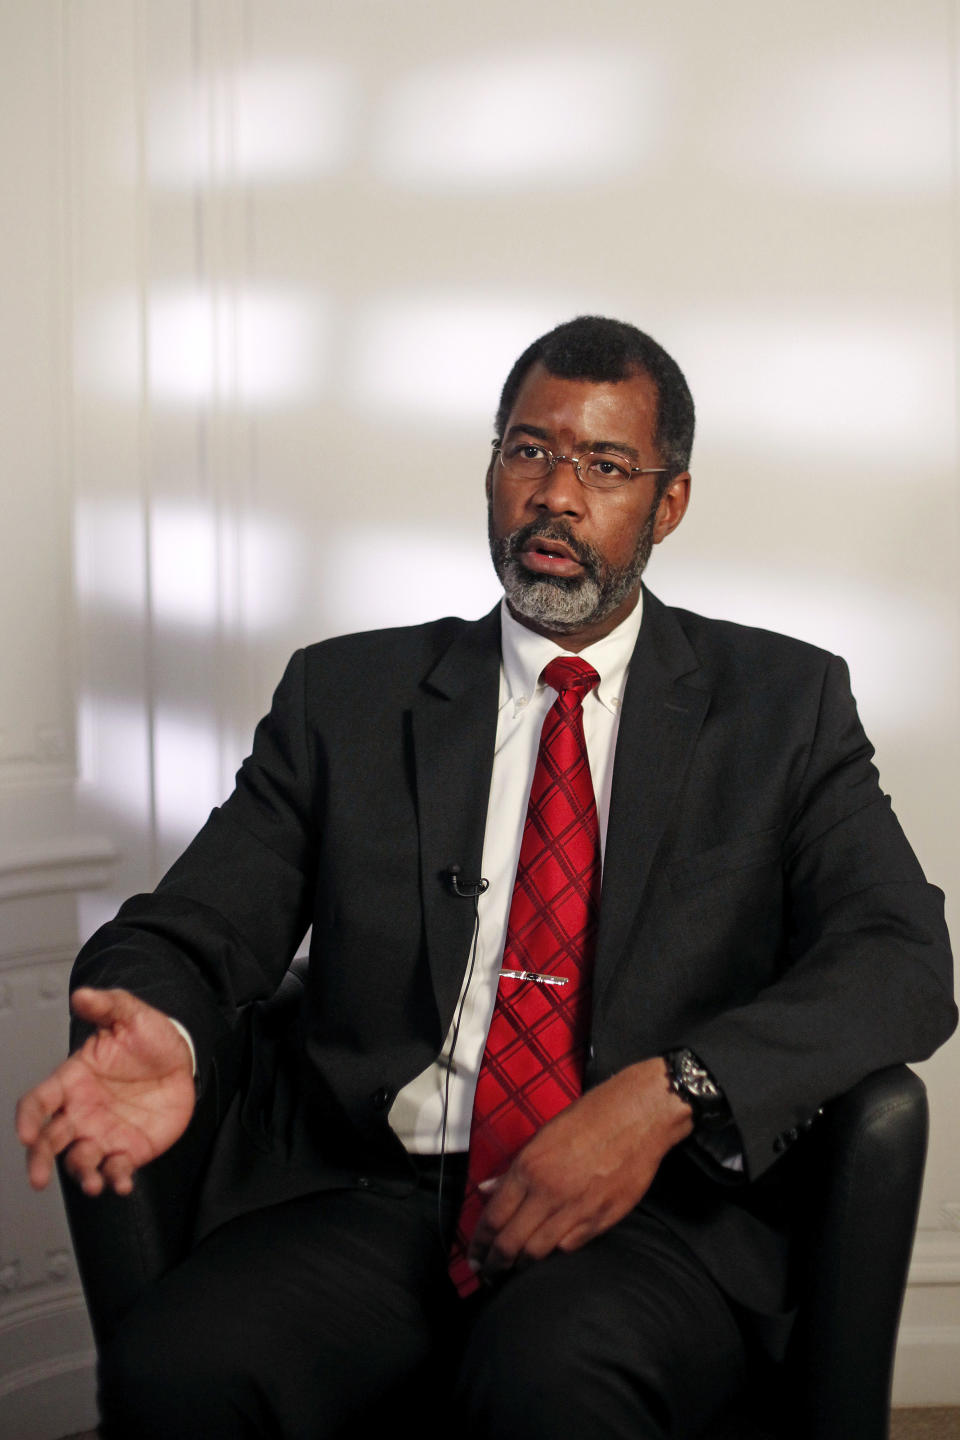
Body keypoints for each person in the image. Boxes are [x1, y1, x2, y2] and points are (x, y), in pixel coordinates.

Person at [17, 316, 956, 1439]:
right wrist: (164, 1027)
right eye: (529, 450)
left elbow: (903, 956)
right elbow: (193, 923)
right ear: (493, 468)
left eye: (606, 466)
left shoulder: (781, 707)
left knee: (550, 1385)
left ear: (669, 504)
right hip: (379, 1199)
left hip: (648, 1217)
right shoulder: (349, 699)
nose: (557, 493)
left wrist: (669, 1092)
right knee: (179, 1369)